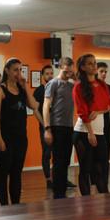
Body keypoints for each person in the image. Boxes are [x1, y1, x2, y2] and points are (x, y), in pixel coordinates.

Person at [0, 58, 40, 205]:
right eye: (15, 70)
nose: (18, 73)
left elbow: (34, 105)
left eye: (20, 70)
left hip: (20, 138)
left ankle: (16, 205)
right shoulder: (0, 90)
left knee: (16, 173)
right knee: (3, 174)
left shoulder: (21, 89)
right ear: (7, 71)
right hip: (5, 137)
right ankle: (4, 206)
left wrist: (25, 86)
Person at [72, 54, 110, 195]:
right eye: (90, 63)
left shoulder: (102, 85)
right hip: (84, 132)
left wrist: (99, 111)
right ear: (83, 67)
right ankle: (86, 202)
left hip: (99, 132)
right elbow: (82, 112)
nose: (94, 65)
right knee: (85, 168)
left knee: (102, 168)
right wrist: (90, 133)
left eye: (94, 62)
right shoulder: (79, 86)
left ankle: (105, 199)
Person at [42, 57, 76, 199]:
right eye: (66, 71)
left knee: (66, 160)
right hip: (57, 126)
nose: (68, 74)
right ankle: (58, 194)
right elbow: (45, 106)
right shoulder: (53, 84)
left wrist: (75, 78)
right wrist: (47, 129)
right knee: (58, 161)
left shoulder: (72, 85)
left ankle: (62, 190)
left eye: (70, 72)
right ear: (60, 68)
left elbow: (84, 90)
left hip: (69, 126)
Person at [33, 65, 55, 190]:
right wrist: (44, 124)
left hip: (57, 126)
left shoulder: (57, 87)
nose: (50, 75)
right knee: (46, 153)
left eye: (51, 73)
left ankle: (60, 178)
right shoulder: (39, 90)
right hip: (45, 128)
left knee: (59, 153)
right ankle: (48, 180)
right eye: (47, 73)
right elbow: (35, 109)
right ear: (43, 76)